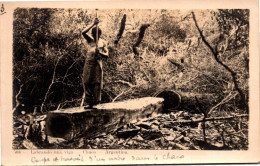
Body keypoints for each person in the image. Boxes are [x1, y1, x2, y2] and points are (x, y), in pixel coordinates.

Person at [81, 18, 109, 108]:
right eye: (93, 34)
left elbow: (107, 55)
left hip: (97, 63)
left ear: (100, 34)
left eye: (97, 34)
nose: (95, 35)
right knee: (87, 81)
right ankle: (89, 103)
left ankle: (96, 102)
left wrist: (100, 52)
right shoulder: (90, 40)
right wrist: (93, 24)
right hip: (89, 62)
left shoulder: (103, 42)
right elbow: (83, 32)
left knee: (96, 82)